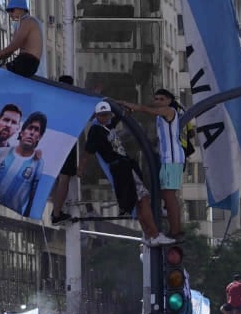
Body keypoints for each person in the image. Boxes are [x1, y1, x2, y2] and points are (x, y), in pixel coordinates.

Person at [85, 101, 171, 246]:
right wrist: (81, 169)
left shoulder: (106, 127)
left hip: (123, 169)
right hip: (122, 170)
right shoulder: (96, 130)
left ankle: (149, 236)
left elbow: (115, 121)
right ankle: (154, 234)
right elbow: (88, 151)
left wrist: (124, 113)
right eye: (102, 115)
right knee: (143, 199)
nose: (105, 117)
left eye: (107, 115)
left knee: (138, 203)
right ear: (97, 116)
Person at [120, 88, 185, 239]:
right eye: (156, 99)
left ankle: (176, 231)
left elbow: (144, 109)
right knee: (166, 194)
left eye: (162, 99)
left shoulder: (169, 111)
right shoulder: (159, 118)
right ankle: (174, 228)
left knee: (169, 195)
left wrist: (126, 103)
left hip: (172, 159)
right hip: (166, 159)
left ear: (169, 101)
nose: (158, 102)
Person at [0, 112, 48, 217]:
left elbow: (33, 199)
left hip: (10, 219)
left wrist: (26, 222)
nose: (32, 133)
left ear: (39, 137)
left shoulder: (38, 164)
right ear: (21, 133)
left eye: (36, 130)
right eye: (30, 128)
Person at [48, 76, 82, 226]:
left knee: (59, 178)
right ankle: (56, 213)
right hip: (65, 143)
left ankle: (56, 210)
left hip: (53, 142)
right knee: (64, 178)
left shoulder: (53, 99)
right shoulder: (70, 101)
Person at [0, 0, 44, 77]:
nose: (10, 14)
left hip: (28, 61)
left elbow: (14, 45)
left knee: (0, 75)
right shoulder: (19, 25)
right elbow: (10, 50)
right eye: (8, 11)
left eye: (12, 10)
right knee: (1, 73)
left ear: (21, 9)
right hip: (26, 61)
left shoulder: (28, 21)